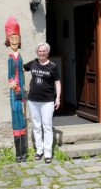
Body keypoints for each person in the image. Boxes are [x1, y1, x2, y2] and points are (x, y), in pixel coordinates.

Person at [23, 42, 61, 164]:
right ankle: (39, 150)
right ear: (37, 52)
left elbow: (57, 82)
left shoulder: (52, 66)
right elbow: (21, 69)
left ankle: (48, 152)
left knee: (47, 126)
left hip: (47, 101)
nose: (42, 53)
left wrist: (58, 98)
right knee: (36, 126)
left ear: (47, 52)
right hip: (33, 100)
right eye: (40, 51)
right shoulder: (33, 63)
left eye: (44, 51)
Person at [4, 16, 27, 163]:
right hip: (15, 92)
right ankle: (18, 154)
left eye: (16, 38)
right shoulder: (10, 56)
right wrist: (13, 83)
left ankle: (23, 153)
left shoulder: (20, 55)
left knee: (22, 120)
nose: (14, 41)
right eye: (12, 38)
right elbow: (10, 75)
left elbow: (22, 73)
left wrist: (23, 88)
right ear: (8, 39)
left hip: (22, 92)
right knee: (16, 117)